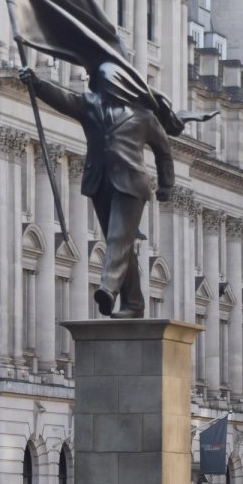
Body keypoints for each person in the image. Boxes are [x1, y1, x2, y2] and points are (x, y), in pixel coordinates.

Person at [19, 64, 174, 319]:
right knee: (123, 245)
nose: (106, 89)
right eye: (102, 84)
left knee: (117, 238)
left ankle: (108, 289)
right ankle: (134, 303)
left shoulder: (145, 117)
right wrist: (37, 84)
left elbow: (164, 151)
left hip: (131, 184)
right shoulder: (90, 105)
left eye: (110, 84)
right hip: (99, 182)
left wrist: (166, 184)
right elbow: (64, 99)